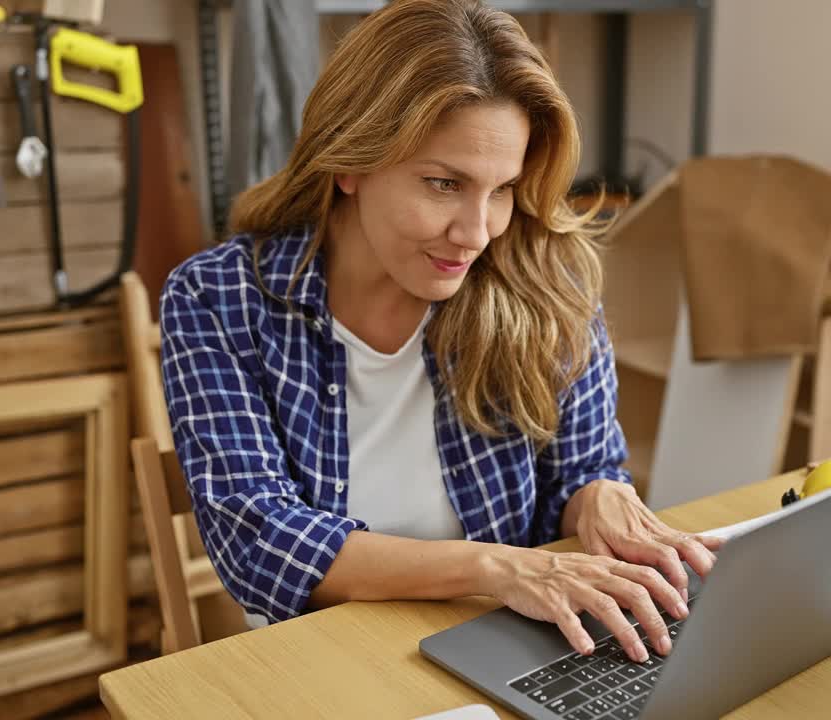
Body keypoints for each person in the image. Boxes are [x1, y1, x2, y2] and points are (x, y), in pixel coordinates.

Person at [160, 0, 722, 663]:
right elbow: (259, 542)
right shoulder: (217, 297)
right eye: (443, 183)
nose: (477, 232)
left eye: (503, 189)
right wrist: (498, 569)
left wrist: (600, 495)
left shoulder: (545, 279)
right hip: (323, 655)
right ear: (350, 163)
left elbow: (582, 470)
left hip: (507, 642)